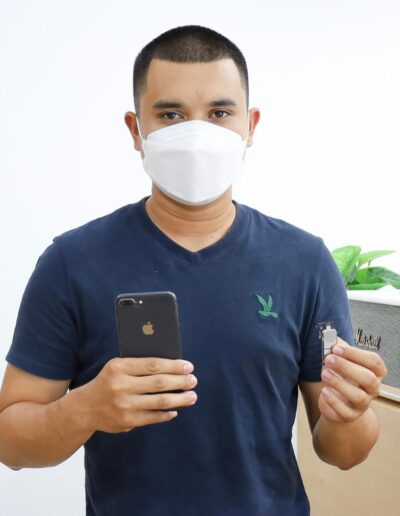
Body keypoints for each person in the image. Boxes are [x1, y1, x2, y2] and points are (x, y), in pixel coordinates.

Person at [0, 25, 387, 516]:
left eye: (219, 113)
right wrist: (85, 408)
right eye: (171, 115)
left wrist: (351, 411)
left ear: (250, 125)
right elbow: (10, 442)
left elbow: (343, 452)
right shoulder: (71, 263)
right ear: (136, 130)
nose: (197, 135)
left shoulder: (305, 262)